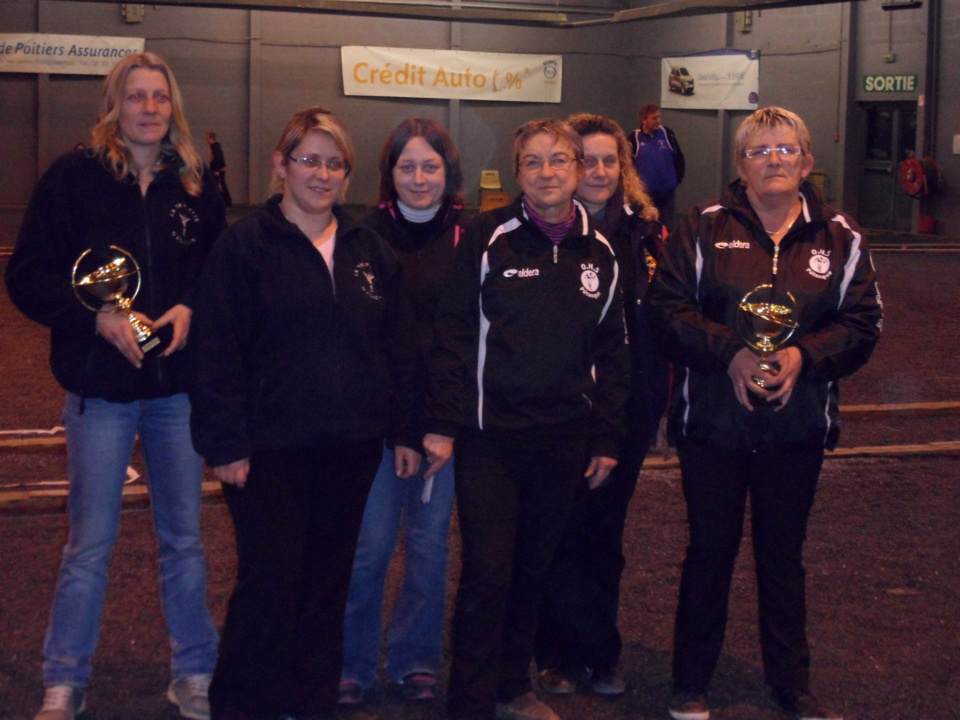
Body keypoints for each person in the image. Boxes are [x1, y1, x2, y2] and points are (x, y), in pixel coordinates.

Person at [5, 52, 224, 720]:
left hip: (175, 394)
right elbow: (26, 277)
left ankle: (193, 674)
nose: (150, 108)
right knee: (89, 544)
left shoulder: (195, 182)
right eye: (136, 96)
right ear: (114, 104)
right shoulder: (72, 179)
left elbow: (221, 271)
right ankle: (63, 681)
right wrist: (95, 317)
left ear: (173, 105)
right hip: (98, 395)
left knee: (184, 540)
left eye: (160, 96)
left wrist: (192, 306)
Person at [645, 106, 882, 720]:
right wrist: (730, 355)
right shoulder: (701, 227)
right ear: (740, 165)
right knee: (708, 552)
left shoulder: (841, 237)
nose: (772, 160)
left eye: (785, 149)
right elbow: (666, 310)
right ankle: (690, 682)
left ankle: (791, 686)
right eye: (758, 150)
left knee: (783, 557)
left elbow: (862, 324)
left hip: (795, 428)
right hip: (714, 428)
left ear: (806, 161)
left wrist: (805, 356)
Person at [188, 106, 418, 720]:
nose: (321, 174)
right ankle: (242, 704)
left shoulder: (371, 248)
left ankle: (311, 701)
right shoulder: (244, 247)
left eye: (334, 162)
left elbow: (398, 348)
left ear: (347, 174)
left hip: (350, 449)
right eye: (308, 159)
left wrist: (402, 430)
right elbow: (217, 351)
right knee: (270, 583)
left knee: (327, 582)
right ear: (281, 165)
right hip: (268, 453)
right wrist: (226, 442)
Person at [422, 118, 630, 720]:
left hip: (564, 438)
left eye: (559, 160)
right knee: (488, 572)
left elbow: (613, 352)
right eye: (534, 162)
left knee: (532, 570)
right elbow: (454, 333)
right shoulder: (486, 237)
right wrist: (443, 420)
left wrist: (607, 436)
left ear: (578, 167)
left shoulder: (602, 251)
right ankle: (469, 700)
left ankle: (512, 688)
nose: (548, 173)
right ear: (517, 173)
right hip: (493, 439)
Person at [534, 113, 669, 697]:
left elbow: (663, 327)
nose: (599, 171)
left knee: (604, 535)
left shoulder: (649, 236)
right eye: (586, 160)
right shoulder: (547, 233)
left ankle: (599, 650)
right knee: (556, 531)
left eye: (611, 160)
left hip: (628, 411)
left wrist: (660, 407)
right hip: (560, 413)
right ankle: (554, 651)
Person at [339, 118, 468, 705]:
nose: (419, 179)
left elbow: (461, 342)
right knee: (367, 549)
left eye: (430, 166)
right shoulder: (360, 235)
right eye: (407, 167)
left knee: (428, 547)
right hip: (377, 427)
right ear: (389, 174)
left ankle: (415, 657)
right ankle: (352, 662)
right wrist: (397, 432)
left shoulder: (473, 237)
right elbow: (366, 344)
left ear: (448, 171)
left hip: (442, 424)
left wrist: (439, 427)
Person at [629, 104, 685, 230]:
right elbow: (629, 167)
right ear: (644, 120)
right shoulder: (634, 139)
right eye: (654, 118)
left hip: (667, 194)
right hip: (645, 196)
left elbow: (679, 158)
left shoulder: (667, 134)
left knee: (667, 228)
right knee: (647, 228)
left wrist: (676, 180)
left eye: (659, 117)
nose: (658, 121)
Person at [205, 131, 232, 208]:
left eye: (207, 138)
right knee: (220, 186)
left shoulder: (214, 146)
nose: (206, 140)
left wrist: (215, 170)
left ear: (211, 138)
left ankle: (225, 203)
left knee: (219, 186)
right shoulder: (216, 146)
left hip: (217, 170)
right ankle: (225, 202)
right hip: (218, 169)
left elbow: (217, 158)